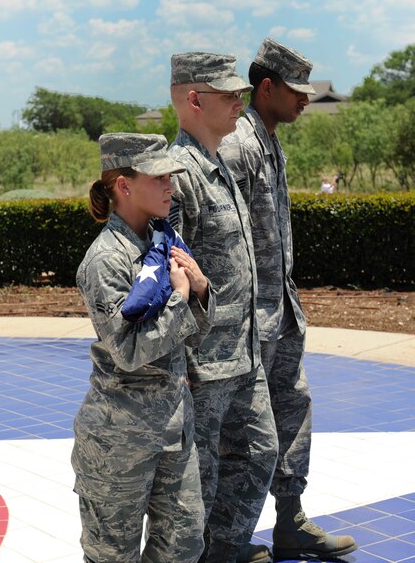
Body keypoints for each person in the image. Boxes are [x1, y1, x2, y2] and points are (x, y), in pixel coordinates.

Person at [220, 39, 358, 560]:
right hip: (249, 320)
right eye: (295, 91)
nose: (305, 100)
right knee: (243, 436)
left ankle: (289, 522)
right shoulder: (237, 145)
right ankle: (227, 540)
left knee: (291, 415)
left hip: (280, 313)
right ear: (266, 87)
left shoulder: (268, 140)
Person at [71, 132, 216, 563]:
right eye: (159, 176)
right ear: (124, 186)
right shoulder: (105, 261)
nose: (171, 184)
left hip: (173, 426)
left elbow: (193, 334)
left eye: (171, 174)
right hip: (120, 439)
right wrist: (179, 297)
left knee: (184, 545)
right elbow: (128, 351)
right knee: (114, 555)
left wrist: (202, 291)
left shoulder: (163, 243)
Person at [168, 52, 278, 563]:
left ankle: (227, 549)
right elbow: (170, 280)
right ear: (194, 99)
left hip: (244, 351)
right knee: (200, 479)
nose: (241, 101)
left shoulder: (219, 163)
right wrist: (181, 360)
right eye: (228, 94)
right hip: (205, 363)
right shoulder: (178, 176)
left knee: (259, 453)